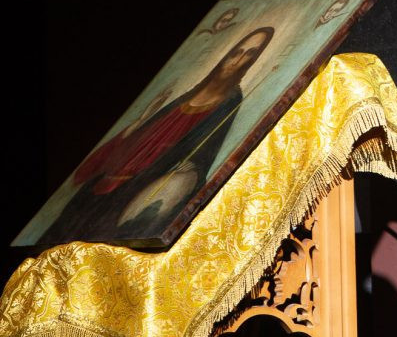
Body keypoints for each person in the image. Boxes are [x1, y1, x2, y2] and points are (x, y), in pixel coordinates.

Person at [38, 26, 275, 245]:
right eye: (237, 52)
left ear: (253, 61)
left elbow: (204, 151)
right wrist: (138, 124)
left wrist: (187, 170)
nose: (238, 60)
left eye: (249, 54)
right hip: (111, 177)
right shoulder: (189, 94)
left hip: (144, 182)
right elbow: (146, 132)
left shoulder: (230, 100)